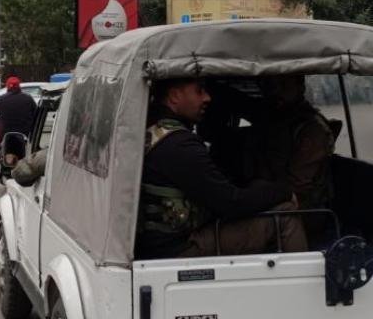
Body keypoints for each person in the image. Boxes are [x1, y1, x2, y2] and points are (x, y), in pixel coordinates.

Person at [135, 78, 307, 260]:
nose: (207, 98)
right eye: (199, 91)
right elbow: (231, 203)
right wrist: (284, 192)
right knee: (286, 215)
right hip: (179, 248)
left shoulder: (152, 130)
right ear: (175, 96)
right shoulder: (179, 145)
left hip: (161, 243)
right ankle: (307, 283)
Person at [239, 75, 339, 242]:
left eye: (284, 85)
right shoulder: (275, 120)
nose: (276, 92)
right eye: (271, 86)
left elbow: (297, 189)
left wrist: (254, 192)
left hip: (302, 212)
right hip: (274, 200)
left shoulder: (311, 130)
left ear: (300, 86)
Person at [0, 77, 36, 165]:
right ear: (19, 87)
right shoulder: (28, 99)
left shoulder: (1, 99)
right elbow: (36, 114)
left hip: (4, 134)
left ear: (7, 87)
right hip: (25, 134)